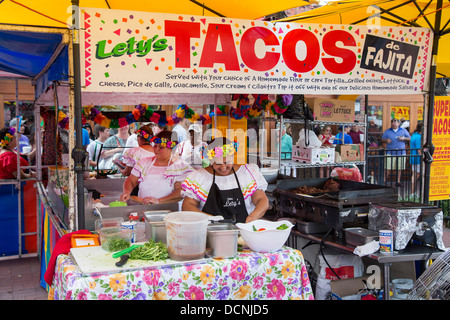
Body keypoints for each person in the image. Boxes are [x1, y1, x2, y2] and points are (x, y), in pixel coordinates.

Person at [181, 137, 269, 223]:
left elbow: (261, 200)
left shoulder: (247, 174)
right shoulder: (199, 177)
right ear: (211, 160)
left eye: (227, 162)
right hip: (210, 230)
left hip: (243, 230)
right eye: (217, 163)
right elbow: (187, 205)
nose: (223, 168)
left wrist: (252, 218)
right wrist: (210, 219)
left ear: (233, 156)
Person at [120, 130, 193, 205]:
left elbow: (181, 191)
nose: (156, 149)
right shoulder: (144, 163)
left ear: (171, 149)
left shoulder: (179, 166)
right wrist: (127, 192)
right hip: (143, 208)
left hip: (168, 211)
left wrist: (158, 201)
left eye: (161, 147)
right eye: (155, 146)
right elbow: (131, 181)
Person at [381, 118, 411, 187]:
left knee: (399, 168)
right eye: (392, 122)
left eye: (395, 122)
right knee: (387, 167)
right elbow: (382, 139)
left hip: (401, 152)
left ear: (399, 124)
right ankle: (384, 181)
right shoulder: (387, 131)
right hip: (390, 152)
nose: (393, 124)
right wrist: (386, 140)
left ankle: (398, 181)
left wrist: (404, 138)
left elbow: (410, 138)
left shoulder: (403, 130)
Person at [409, 122, 423, 191]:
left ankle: (412, 191)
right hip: (417, 158)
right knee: (416, 174)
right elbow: (419, 149)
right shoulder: (419, 137)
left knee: (414, 174)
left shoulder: (414, 135)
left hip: (413, 157)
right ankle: (413, 191)